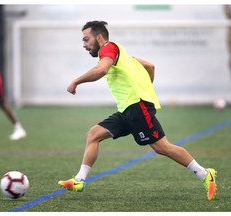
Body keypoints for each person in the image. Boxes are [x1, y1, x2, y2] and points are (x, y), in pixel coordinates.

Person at [58, 21, 216, 201]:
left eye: (86, 39)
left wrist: (75, 81)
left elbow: (101, 70)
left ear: (99, 37)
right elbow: (150, 66)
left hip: (137, 106)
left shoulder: (108, 48)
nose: (84, 45)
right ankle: (79, 180)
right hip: (128, 108)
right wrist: (146, 88)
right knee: (93, 134)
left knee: (161, 147)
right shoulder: (122, 54)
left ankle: (205, 174)